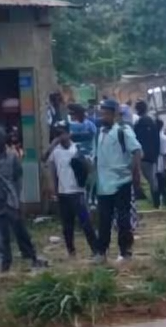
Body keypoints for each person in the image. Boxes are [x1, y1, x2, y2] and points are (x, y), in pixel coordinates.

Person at [94, 99, 142, 261]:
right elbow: (96, 157)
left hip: (122, 182)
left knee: (123, 218)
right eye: (102, 114)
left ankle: (125, 251)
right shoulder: (99, 133)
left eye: (107, 114)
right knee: (104, 219)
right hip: (103, 184)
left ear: (114, 114)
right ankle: (102, 251)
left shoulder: (123, 131)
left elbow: (136, 151)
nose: (103, 117)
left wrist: (135, 173)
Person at [44, 122, 98, 257]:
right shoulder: (55, 151)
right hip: (63, 194)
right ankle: (71, 251)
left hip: (77, 193)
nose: (60, 137)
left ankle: (96, 249)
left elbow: (90, 168)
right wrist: (52, 145)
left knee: (85, 221)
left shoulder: (77, 149)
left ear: (69, 134)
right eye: (57, 134)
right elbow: (45, 160)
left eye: (62, 133)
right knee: (67, 225)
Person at [0, 126, 46, 272]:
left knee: (20, 230)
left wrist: (19, 198)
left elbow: (18, 178)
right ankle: (5, 263)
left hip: (11, 200)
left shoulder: (12, 157)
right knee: (3, 235)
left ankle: (31, 256)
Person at [132, 99, 161, 202]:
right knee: (151, 178)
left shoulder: (138, 123)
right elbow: (156, 139)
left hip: (142, 155)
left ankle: (155, 199)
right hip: (152, 155)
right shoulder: (151, 122)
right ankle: (156, 199)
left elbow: (135, 139)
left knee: (149, 178)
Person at [155, 117, 166, 208]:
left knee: (158, 183)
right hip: (163, 161)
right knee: (164, 183)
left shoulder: (156, 138)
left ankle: (159, 202)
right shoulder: (165, 138)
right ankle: (165, 202)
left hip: (159, 162)